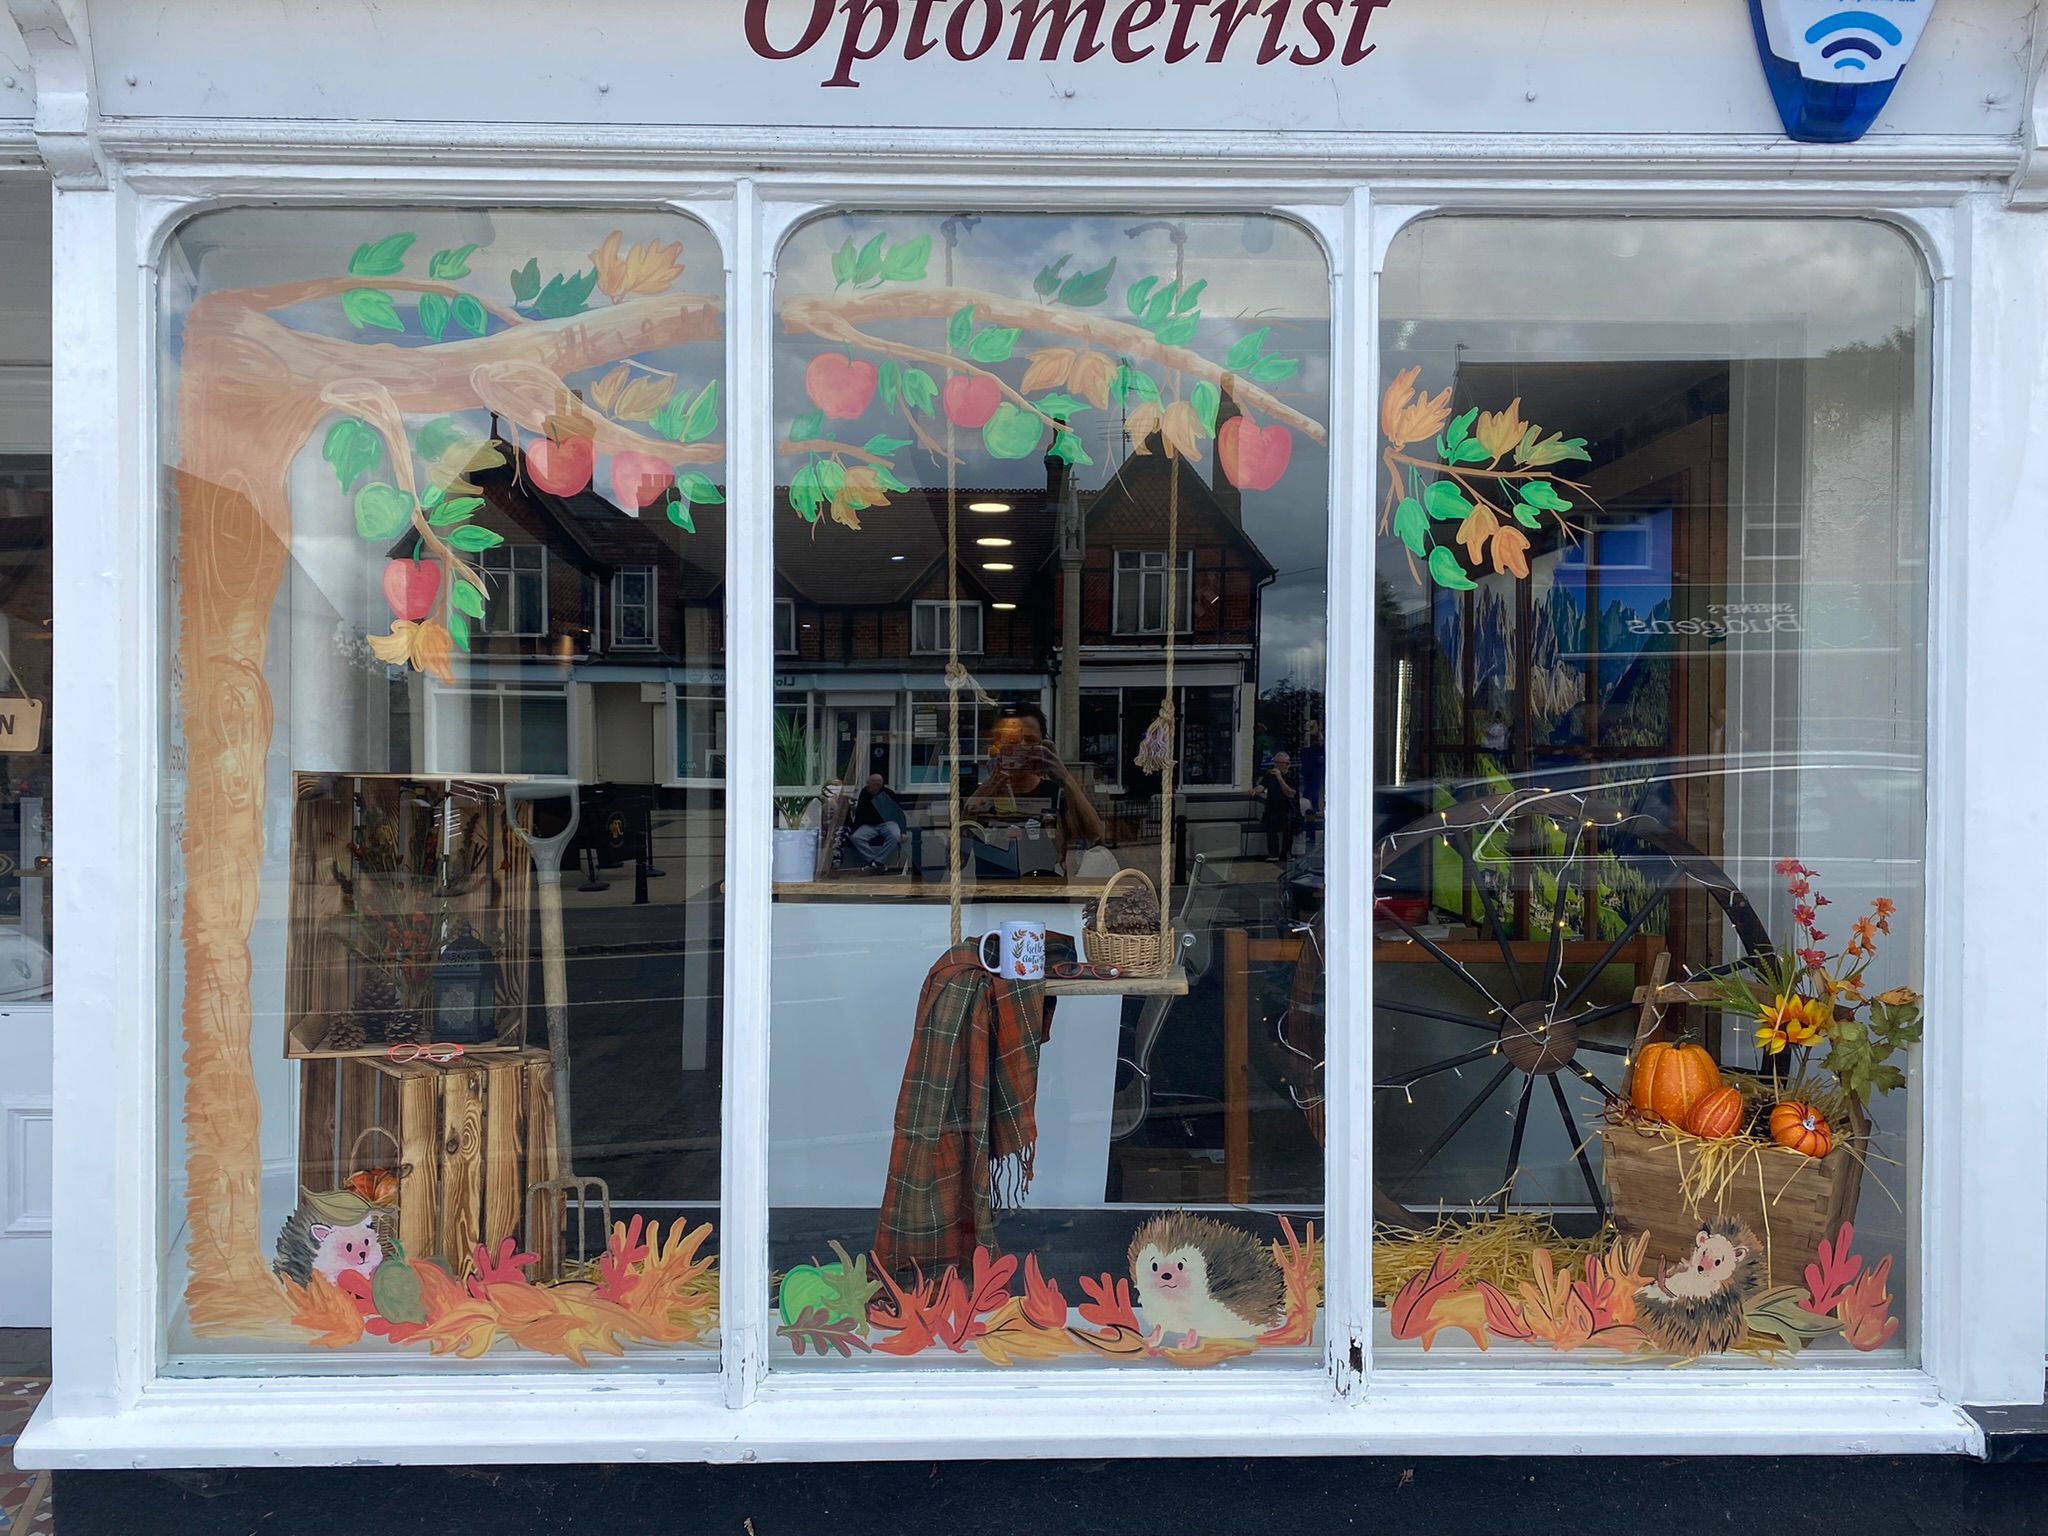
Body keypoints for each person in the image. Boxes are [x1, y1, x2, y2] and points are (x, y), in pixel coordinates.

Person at [963, 701, 1106, 863]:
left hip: (1045, 885)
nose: (1022, 747)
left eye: (1030, 740)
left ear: (1043, 745)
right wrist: (986, 790)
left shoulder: (1057, 793)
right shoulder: (982, 796)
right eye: (1012, 740)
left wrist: (1065, 777)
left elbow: (1097, 839)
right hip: (994, 886)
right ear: (998, 745)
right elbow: (955, 859)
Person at [848, 772, 907, 871]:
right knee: (856, 837)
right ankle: (874, 862)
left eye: (869, 783)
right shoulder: (864, 793)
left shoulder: (888, 794)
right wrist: (854, 829)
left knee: (896, 836)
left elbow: (898, 813)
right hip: (869, 825)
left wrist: (903, 831)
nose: (867, 785)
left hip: (887, 823)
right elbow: (859, 813)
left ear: (877, 785)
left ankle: (878, 861)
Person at [1254, 749, 1304, 861]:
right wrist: (1255, 790)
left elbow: (1290, 793)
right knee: (1269, 822)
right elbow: (1262, 786)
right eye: (1275, 762)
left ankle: (1286, 853)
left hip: (1288, 807)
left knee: (1288, 824)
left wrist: (1280, 778)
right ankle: (1273, 853)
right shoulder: (1270, 774)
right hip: (1273, 806)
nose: (1276, 765)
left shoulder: (1293, 776)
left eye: (1278, 763)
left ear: (1286, 764)